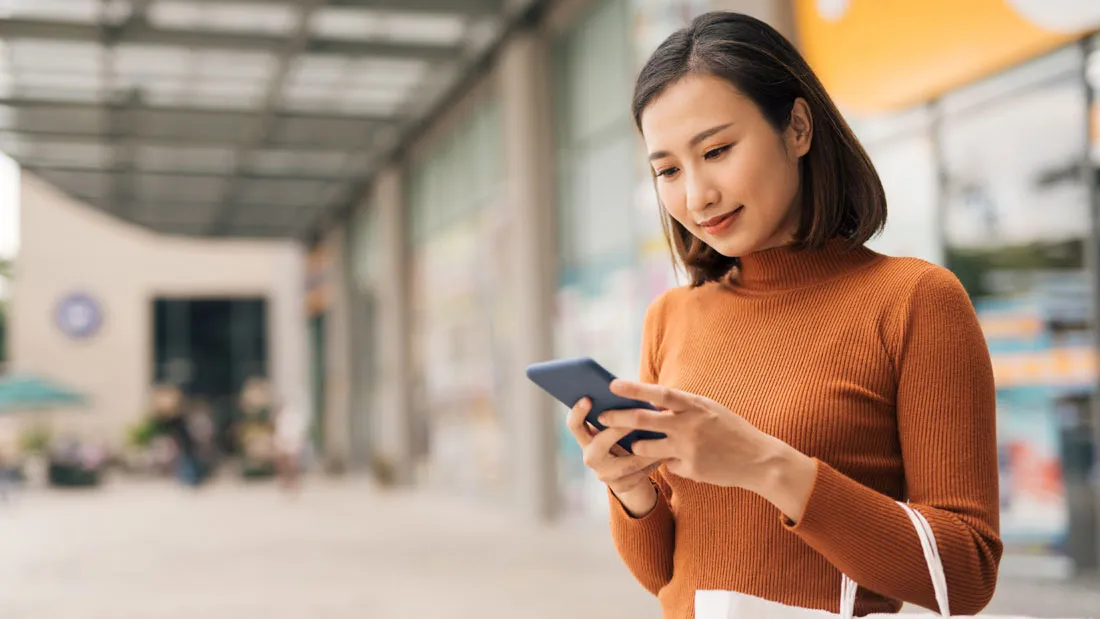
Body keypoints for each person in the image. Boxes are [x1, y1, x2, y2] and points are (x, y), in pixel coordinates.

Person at [565, 12, 1000, 618]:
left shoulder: (914, 299)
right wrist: (630, 487)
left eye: (717, 150)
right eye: (668, 170)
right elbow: (666, 575)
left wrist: (767, 467)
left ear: (797, 128)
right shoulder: (671, 316)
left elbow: (967, 574)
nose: (696, 195)